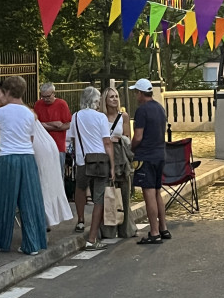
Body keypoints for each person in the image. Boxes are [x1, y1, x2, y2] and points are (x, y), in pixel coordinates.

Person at [0, 75, 47, 255]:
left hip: (8, 157)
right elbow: (31, 138)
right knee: (29, 200)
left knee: (5, 199)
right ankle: (32, 243)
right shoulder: (30, 113)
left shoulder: (1, 112)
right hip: (27, 157)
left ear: (8, 91)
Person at [67, 86, 114, 250]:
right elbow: (107, 143)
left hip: (82, 161)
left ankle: (80, 220)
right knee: (98, 199)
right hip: (100, 161)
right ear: (95, 101)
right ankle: (92, 238)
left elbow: (72, 139)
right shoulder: (101, 117)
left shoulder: (76, 116)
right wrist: (112, 166)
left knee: (80, 189)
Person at [129, 78, 170, 244]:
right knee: (157, 191)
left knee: (149, 193)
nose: (135, 96)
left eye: (135, 92)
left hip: (146, 156)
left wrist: (131, 148)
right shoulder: (159, 108)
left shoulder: (142, 111)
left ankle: (154, 232)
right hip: (160, 153)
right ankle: (163, 228)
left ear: (140, 93)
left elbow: (138, 136)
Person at [99, 87, 136, 240]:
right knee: (108, 193)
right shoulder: (100, 116)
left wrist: (120, 140)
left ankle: (126, 228)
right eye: (111, 97)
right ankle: (108, 229)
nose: (114, 99)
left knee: (124, 193)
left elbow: (128, 137)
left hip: (121, 155)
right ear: (105, 100)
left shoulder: (124, 116)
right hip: (106, 155)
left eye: (116, 96)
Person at [32, 115, 73, 228]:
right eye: (43, 96)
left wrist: (45, 124)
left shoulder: (26, 114)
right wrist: (52, 124)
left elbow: (65, 125)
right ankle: (47, 219)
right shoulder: (34, 110)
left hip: (52, 148)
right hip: (47, 147)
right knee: (48, 184)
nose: (45, 99)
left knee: (50, 183)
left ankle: (47, 219)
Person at [34, 82, 72, 174]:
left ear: (54, 93)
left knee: (58, 174)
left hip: (58, 146)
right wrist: (54, 124)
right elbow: (36, 124)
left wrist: (44, 126)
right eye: (43, 97)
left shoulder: (62, 104)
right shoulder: (38, 104)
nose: (45, 99)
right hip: (42, 146)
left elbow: (68, 124)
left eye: (48, 96)